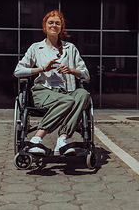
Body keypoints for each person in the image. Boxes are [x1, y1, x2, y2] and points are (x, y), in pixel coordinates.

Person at [14, 10, 90, 156]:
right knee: (68, 101)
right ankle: (36, 139)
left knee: (82, 94)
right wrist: (43, 68)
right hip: (43, 91)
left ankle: (61, 142)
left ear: (61, 27)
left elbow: (86, 75)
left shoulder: (70, 48)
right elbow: (18, 71)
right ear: (45, 26)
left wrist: (71, 70)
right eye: (51, 22)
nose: (54, 25)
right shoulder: (36, 48)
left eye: (57, 23)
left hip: (66, 92)